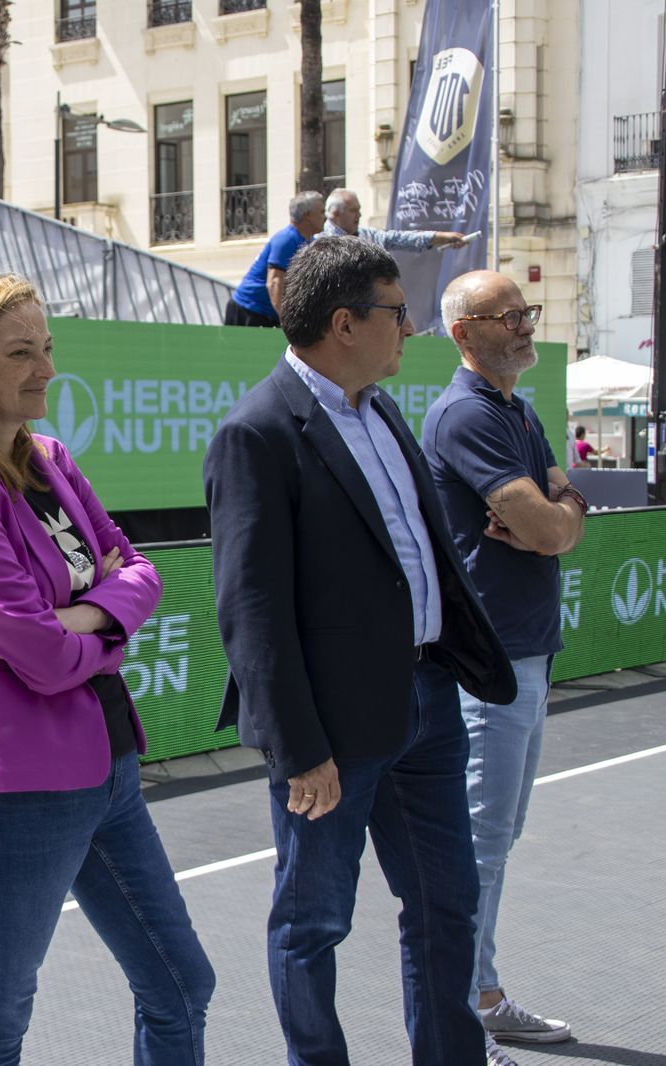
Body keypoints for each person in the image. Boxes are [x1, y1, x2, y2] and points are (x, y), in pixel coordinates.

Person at [204, 236, 516, 1066]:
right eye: (397, 312)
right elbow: (251, 611)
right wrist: (299, 748)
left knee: (447, 906)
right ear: (345, 324)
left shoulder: (381, 411)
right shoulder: (257, 433)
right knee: (313, 924)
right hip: (331, 735)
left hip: (427, 705)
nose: (410, 329)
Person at [0, 272, 214, 1065]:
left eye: (47, 347)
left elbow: (140, 570)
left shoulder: (52, 460)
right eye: (20, 353)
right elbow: (42, 658)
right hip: (12, 789)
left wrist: (88, 614)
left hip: (107, 765)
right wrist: (106, 618)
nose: (46, 369)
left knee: (181, 983)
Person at [424, 272, 585, 1064]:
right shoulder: (466, 415)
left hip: (528, 655)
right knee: (478, 849)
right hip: (490, 668)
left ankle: (482, 997)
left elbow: (564, 512)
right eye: (507, 316)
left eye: (527, 312)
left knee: (499, 836)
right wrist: (555, 522)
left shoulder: (518, 410)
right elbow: (551, 529)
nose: (524, 326)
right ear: (464, 333)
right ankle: (464, 1022)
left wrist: (560, 515)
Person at [224, 190, 325, 327]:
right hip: (249, 311)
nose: (325, 217)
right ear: (308, 215)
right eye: (321, 212)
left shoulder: (307, 240)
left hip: (265, 312)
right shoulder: (287, 239)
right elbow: (274, 283)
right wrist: (288, 322)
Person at [321, 188, 471, 252]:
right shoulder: (318, 242)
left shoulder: (367, 236)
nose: (359, 215)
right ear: (335, 214)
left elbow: (399, 239)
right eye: (353, 210)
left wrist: (442, 237)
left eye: (359, 210)